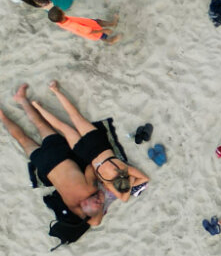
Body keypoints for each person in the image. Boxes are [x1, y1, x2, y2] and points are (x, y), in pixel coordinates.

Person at [16, 81, 148, 201]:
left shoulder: (124, 168)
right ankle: (37, 107)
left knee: (75, 115)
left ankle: (55, 90)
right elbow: (124, 199)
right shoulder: (107, 181)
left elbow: (145, 178)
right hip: (84, 152)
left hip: (97, 143)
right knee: (62, 127)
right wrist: (129, 186)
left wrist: (131, 179)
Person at [1, 83, 107, 230]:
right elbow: (95, 221)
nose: (98, 200)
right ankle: (1, 115)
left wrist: (100, 194)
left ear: (85, 206)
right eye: (99, 202)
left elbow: (91, 167)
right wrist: (98, 207)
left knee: (40, 124)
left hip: (57, 155)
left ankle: (21, 100)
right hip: (44, 166)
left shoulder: (89, 189)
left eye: (96, 202)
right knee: (22, 140)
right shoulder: (74, 208)